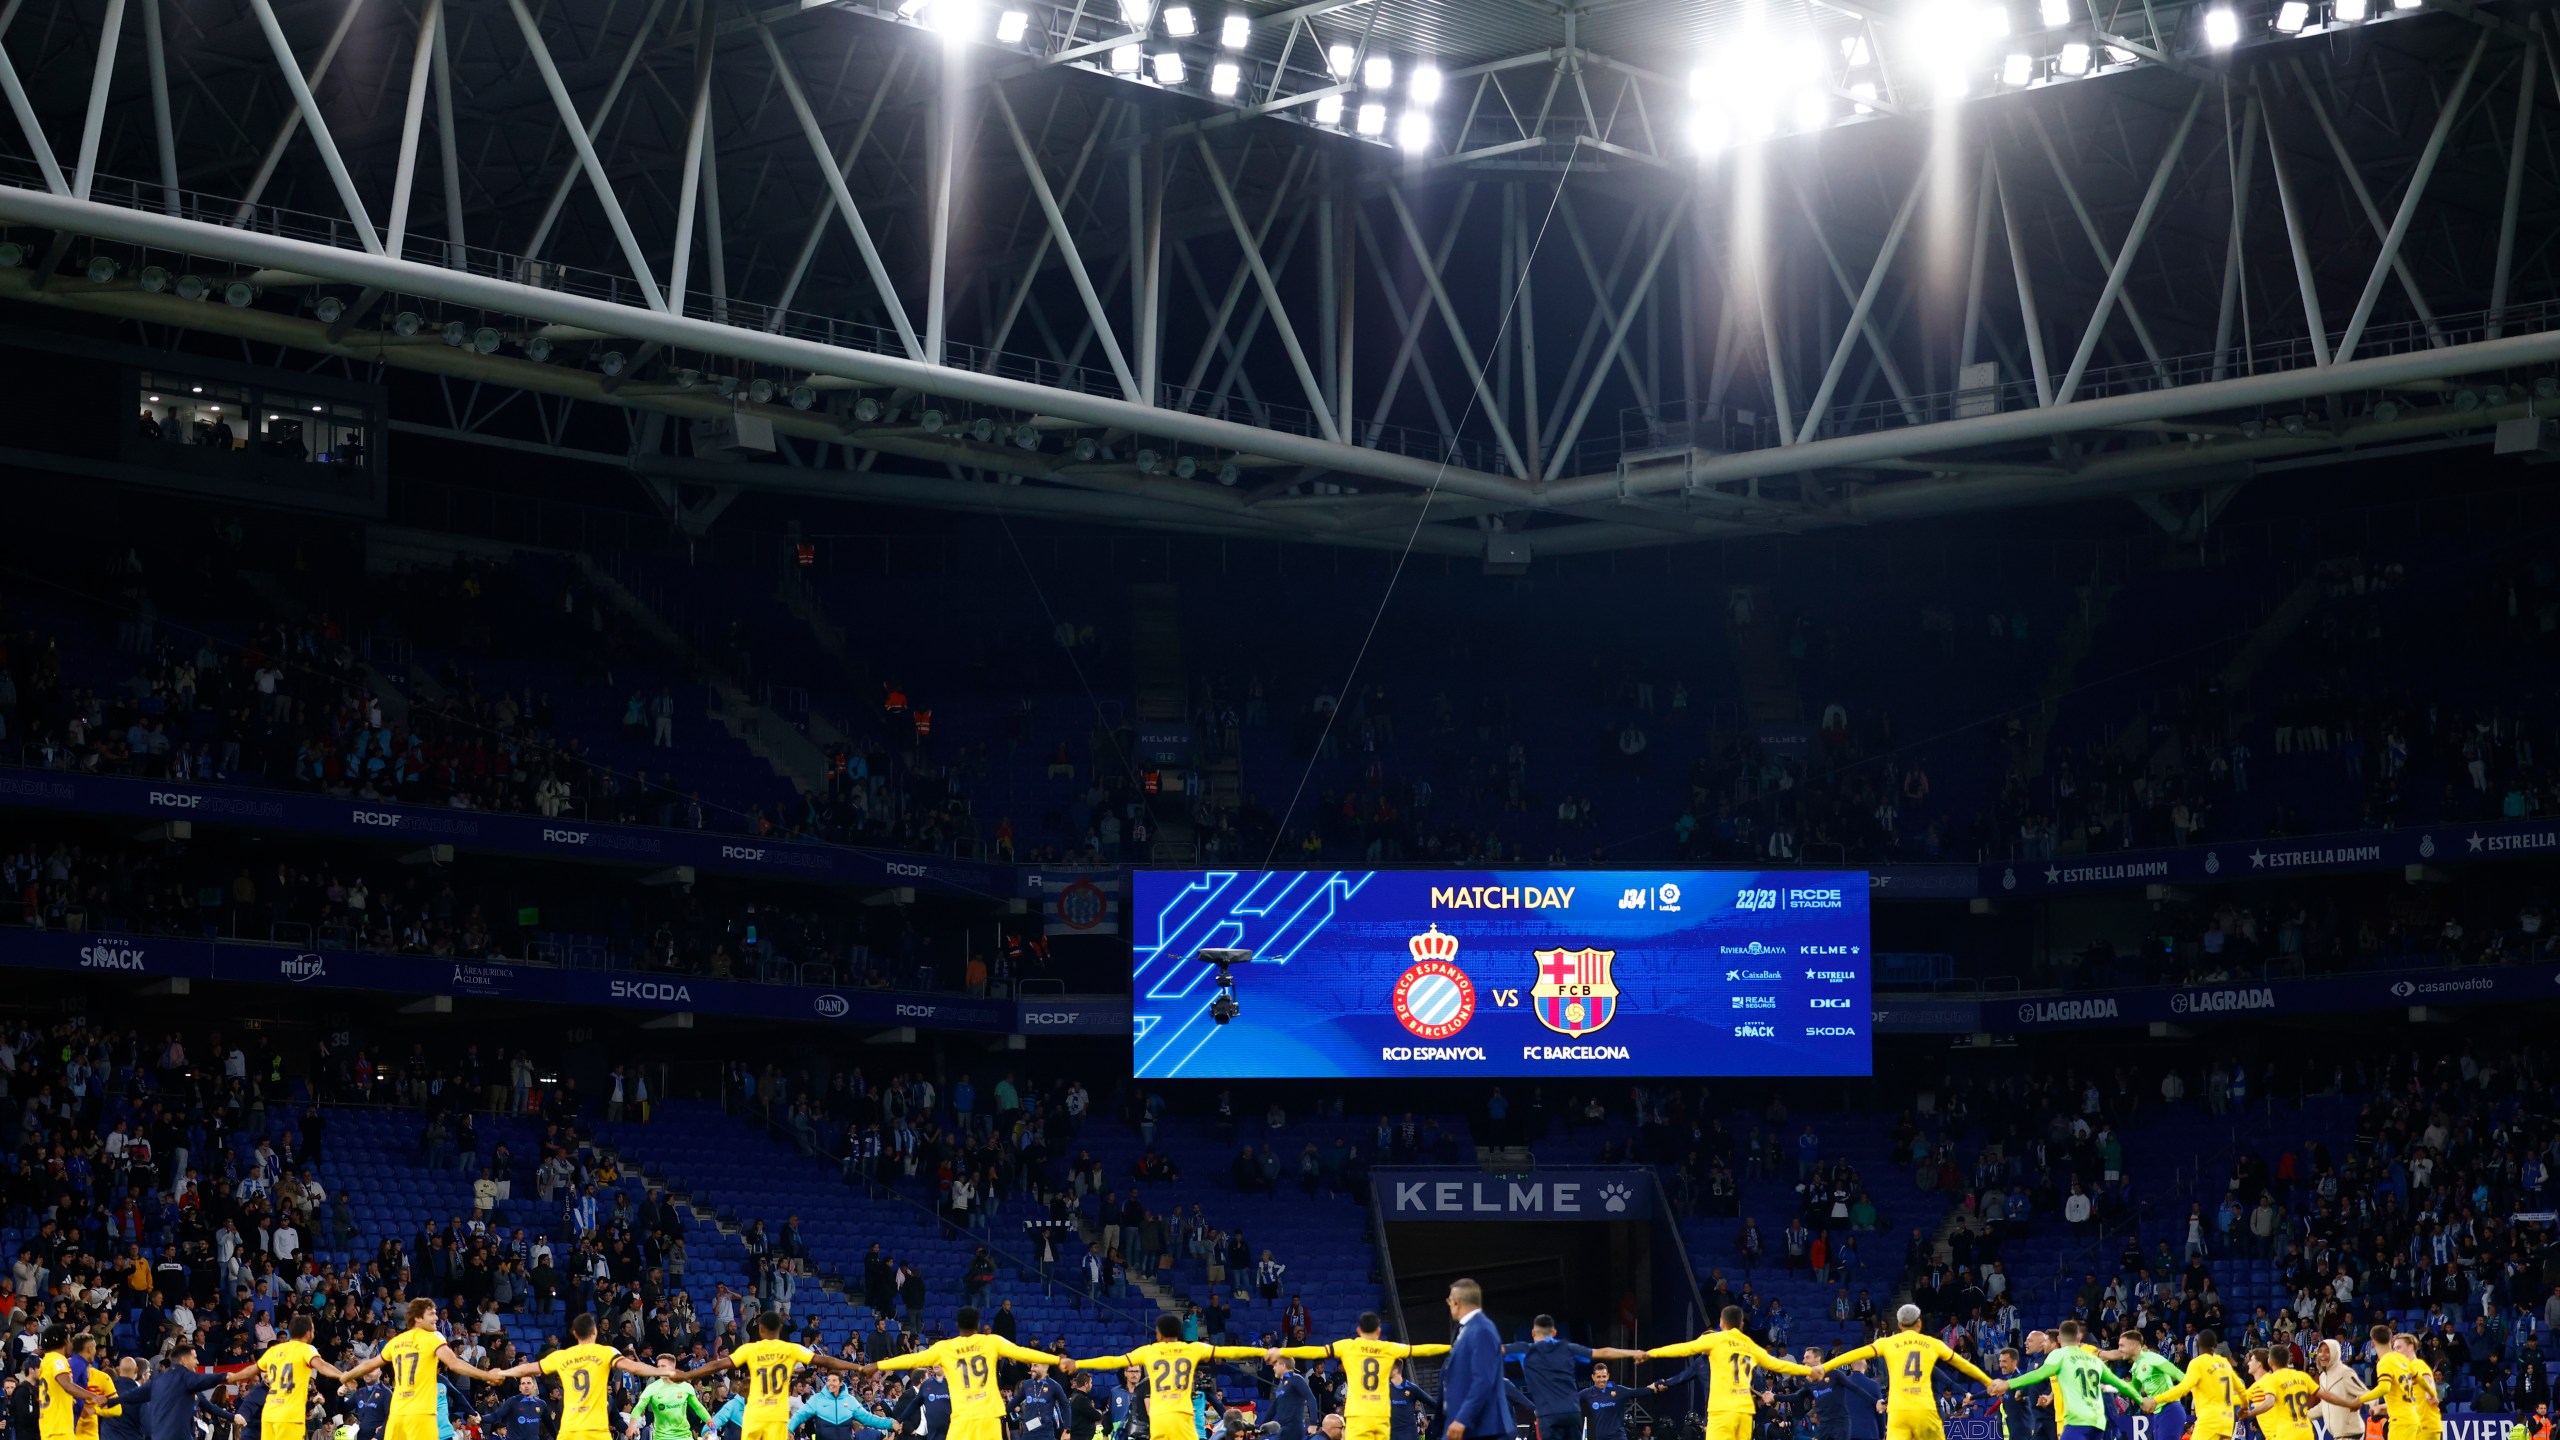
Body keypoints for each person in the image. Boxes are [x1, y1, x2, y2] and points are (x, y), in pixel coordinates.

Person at [875, 1305, 1067, 1440]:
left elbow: (911, 1360)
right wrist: (1058, 1360)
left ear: (957, 1326)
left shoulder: (946, 1348)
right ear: (977, 1325)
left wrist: (877, 1365)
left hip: (963, 1418)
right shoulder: (991, 1341)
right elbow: (1024, 1353)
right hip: (989, 1416)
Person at [1813, 1304, 2003, 1440]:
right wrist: (1987, 1381)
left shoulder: (1886, 1343)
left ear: (1899, 1324)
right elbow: (1963, 1364)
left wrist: (1825, 1367)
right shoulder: (1933, 1344)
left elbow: (1853, 1354)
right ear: (1919, 1323)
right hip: (1925, 1411)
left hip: (1899, 1412)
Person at [337, 1302, 510, 1440]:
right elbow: (454, 1364)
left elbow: (370, 1363)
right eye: (431, 1313)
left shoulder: (397, 1341)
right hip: (421, 1414)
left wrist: (346, 1375)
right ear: (418, 1318)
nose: (436, 1316)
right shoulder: (431, 1338)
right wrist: (485, 1374)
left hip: (400, 1414)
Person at [1075, 1314, 1265, 1440]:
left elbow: (1112, 1361)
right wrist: (1264, 1352)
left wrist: (1078, 1364)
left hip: (1160, 1419)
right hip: (1183, 1418)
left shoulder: (1150, 1351)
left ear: (1158, 1334)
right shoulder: (1193, 1349)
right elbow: (1230, 1351)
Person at [678, 1312, 862, 1440]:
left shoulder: (750, 1349)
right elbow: (826, 1361)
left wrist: (687, 1374)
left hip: (755, 1415)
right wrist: (859, 1368)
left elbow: (718, 1364)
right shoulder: (791, 1349)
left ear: (761, 1329)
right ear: (780, 1328)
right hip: (777, 1417)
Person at [1642, 1305, 1814, 1440]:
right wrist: (1662, 1382)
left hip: (1723, 1410)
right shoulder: (1702, 1362)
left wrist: (1762, 1391)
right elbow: (1681, 1377)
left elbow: (1755, 1375)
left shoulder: (1716, 1356)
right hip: (1729, 1410)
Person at [1271, 1313, 1450, 1440]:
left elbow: (1314, 1351)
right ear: (1378, 1331)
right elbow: (1422, 1349)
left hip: (1357, 1416)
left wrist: (1282, 1350)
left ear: (1358, 1330)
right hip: (1380, 1416)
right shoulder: (1389, 1348)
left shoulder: (1348, 1346)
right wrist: (1450, 1348)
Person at [494, 1312, 672, 1439]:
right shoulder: (606, 1352)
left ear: (575, 1333)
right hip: (596, 1431)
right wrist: (664, 1371)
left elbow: (527, 1369)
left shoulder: (561, 1356)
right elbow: (635, 1368)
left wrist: (501, 1372)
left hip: (570, 1431)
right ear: (595, 1332)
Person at [1504, 1317, 1642, 1440]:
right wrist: (1634, 1353)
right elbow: (1603, 1352)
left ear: (1533, 1333)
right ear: (1554, 1333)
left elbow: (1494, 1349)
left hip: (1548, 1415)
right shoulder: (1568, 1348)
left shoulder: (1523, 1350)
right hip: (1571, 1413)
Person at [2001, 1323, 2137, 1440]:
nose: (2044, 1343)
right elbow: (2060, 1381)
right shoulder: (2056, 1359)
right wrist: (2050, 1396)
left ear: (2058, 1340)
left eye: (2046, 1340)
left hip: (2074, 1418)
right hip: (2067, 1417)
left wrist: (2008, 1384)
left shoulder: (2077, 1352)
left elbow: (2109, 1355)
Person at [258, 1315, 353, 1440]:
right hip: (290, 1416)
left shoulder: (276, 1354)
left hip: (271, 1413)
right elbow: (322, 1366)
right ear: (307, 1332)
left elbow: (258, 1369)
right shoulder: (304, 1350)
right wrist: (342, 1375)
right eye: (313, 1329)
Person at [2235, 1348, 2360, 1440]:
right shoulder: (2301, 1376)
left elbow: (2269, 1401)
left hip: (2284, 1434)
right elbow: (2325, 1395)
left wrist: (2250, 1413)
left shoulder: (2271, 1380)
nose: (2248, 1363)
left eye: (2251, 1360)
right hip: (2305, 1432)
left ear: (2270, 1362)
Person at [1438, 1280, 1506, 1440]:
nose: (1449, 1305)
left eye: (1449, 1300)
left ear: (1456, 1302)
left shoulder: (1482, 1329)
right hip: (1463, 1425)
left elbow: (1483, 1379)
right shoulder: (1468, 1329)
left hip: (1478, 1427)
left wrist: (1462, 1419)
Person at [2142, 1331, 2241, 1440]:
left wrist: (2156, 1400)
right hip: (2227, 1421)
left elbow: (2183, 1388)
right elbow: (2239, 1390)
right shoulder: (2224, 1363)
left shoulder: (2197, 1362)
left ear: (2197, 1344)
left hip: (2209, 1420)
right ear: (2216, 1345)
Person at [2100, 1332, 2185, 1440]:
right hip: (2157, 1413)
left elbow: (2178, 1374)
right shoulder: (2136, 1367)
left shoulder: (2152, 1358)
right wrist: (2108, 1388)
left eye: (2122, 1345)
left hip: (2171, 1409)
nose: (2119, 1349)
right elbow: (2132, 1388)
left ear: (2134, 1345)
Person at [2371, 1331, 2442, 1440]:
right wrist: (2382, 1408)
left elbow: (2427, 1381)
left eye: (2399, 1347)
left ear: (2410, 1347)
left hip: (2423, 1427)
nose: (2395, 1352)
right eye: (2394, 1349)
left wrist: (2430, 1393)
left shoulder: (2416, 1365)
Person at [1805, 1348, 1883, 1440]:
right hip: (1868, 1433)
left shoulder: (1838, 1382)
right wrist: (1882, 1433)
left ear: (1850, 1366)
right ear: (1866, 1366)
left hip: (1844, 1430)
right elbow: (1880, 1410)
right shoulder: (1873, 1385)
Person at [792, 1372, 895, 1440]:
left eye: (834, 1381)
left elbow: (869, 1418)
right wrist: (789, 1429)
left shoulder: (850, 1400)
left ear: (841, 1383)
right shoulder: (817, 1399)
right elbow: (799, 1415)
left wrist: (890, 1423)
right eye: (828, 1380)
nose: (831, 1384)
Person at [1573, 1363, 1646, 1440]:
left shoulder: (1618, 1390)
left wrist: (1655, 1387)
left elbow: (1637, 1392)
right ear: (1593, 1377)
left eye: (1604, 1376)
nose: (1601, 1380)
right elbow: (1570, 1399)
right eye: (1598, 1377)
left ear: (1608, 1376)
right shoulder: (1587, 1393)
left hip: (1618, 1437)